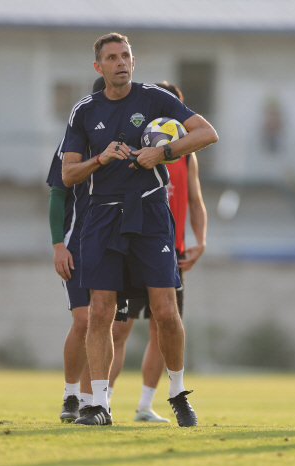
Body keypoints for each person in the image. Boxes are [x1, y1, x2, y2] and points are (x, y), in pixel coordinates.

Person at [61, 32, 218, 426]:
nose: (121, 63)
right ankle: (98, 405)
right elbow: (67, 175)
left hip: (150, 216)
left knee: (166, 311)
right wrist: (100, 159)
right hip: (102, 217)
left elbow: (207, 133)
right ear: (99, 67)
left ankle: (178, 393)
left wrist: (162, 152)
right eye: (112, 57)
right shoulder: (84, 111)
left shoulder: (155, 99)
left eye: (126, 56)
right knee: (102, 312)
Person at [109, 81, 207, 423]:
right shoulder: (135, 146)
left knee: (163, 325)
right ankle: (101, 400)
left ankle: (145, 406)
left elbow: (195, 200)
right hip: (132, 245)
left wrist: (201, 240)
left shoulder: (186, 155)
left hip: (170, 250)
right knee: (118, 328)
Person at [48, 77, 108, 423]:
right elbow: (58, 194)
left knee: (107, 322)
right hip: (79, 241)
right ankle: (71, 395)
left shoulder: (134, 138)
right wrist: (59, 245)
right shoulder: (75, 138)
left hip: (116, 240)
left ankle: (94, 401)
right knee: (84, 319)